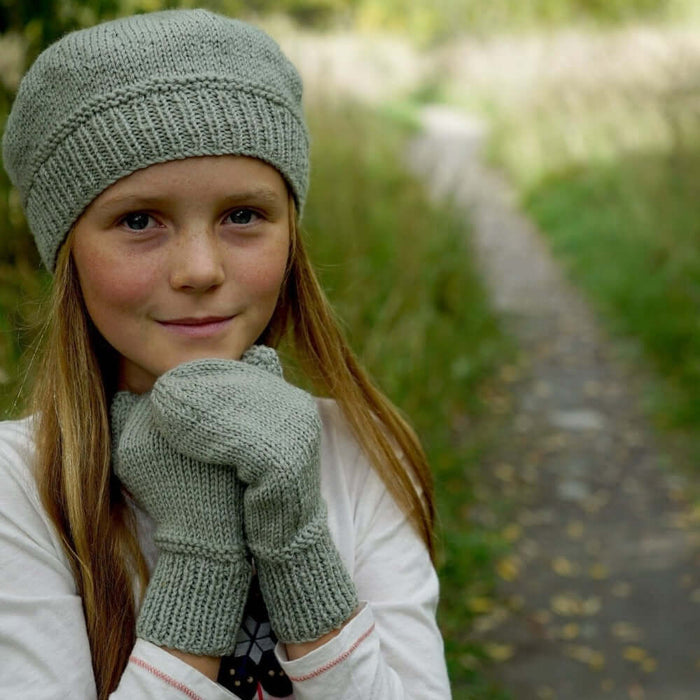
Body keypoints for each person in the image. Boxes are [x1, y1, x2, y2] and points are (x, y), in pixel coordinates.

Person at [0, 8, 451, 699]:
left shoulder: (361, 454)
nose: (200, 269)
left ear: (290, 234)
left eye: (243, 215)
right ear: (68, 251)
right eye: (139, 220)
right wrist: (203, 563)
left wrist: (298, 546)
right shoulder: (20, 490)